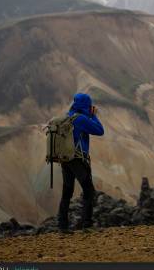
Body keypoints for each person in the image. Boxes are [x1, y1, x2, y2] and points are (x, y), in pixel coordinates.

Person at [58, 92, 104, 231]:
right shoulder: (81, 119)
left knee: (67, 192)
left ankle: (62, 226)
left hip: (65, 159)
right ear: (86, 105)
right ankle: (87, 224)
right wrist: (93, 115)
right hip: (77, 159)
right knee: (89, 190)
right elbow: (100, 130)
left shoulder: (68, 116)